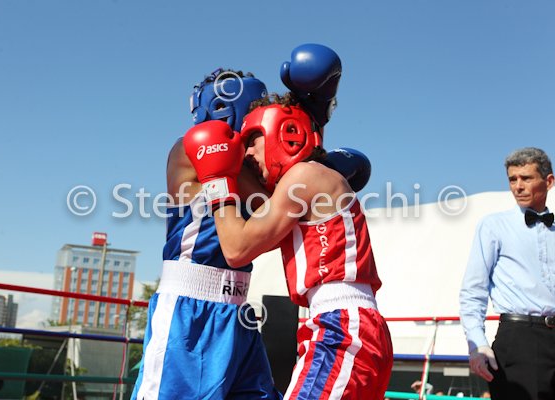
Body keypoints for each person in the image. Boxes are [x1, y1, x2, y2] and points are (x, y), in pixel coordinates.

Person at [183, 93, 393, 399]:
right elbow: (261, 224)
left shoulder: (305, 176)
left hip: (342, 329)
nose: (248, 152)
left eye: (252, 140)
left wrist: (218, 178)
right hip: (348, 326)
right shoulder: (306, 183)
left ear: (287, 133)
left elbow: (237, 249)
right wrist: (232, 166)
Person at [131, 68, 281, 400]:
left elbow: (278, 224)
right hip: (189, 310)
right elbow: (279, 202)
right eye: (255, 109)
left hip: (238, 310)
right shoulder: (192, 146)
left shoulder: (253, 165)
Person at [459, 147, 555, 400]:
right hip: (519, 340)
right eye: (513, 179)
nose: (518, 187)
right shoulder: (493, 226)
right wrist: (477, 344)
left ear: (549, 181)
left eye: (526, 178)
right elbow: (473, 291)